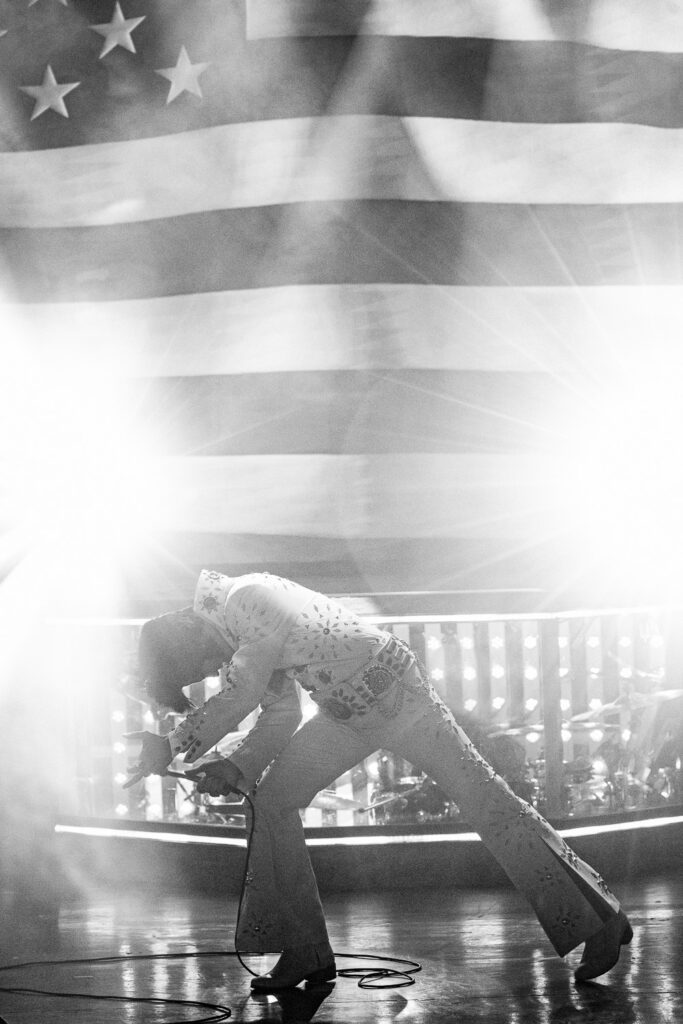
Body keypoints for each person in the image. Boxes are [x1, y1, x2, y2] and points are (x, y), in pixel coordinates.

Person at [129, 569, 633, 991]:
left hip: (400, 700)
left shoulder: (246, 599)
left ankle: (599, 917)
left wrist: (171, 745)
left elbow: (240, 694)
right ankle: (306, 950)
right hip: (348, 714)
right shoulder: (240, 632)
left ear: (190, 632)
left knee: (489, 805)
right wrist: (235, 767)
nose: (210, 668)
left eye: (199, 664)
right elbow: (277, 716)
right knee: (273, 800)